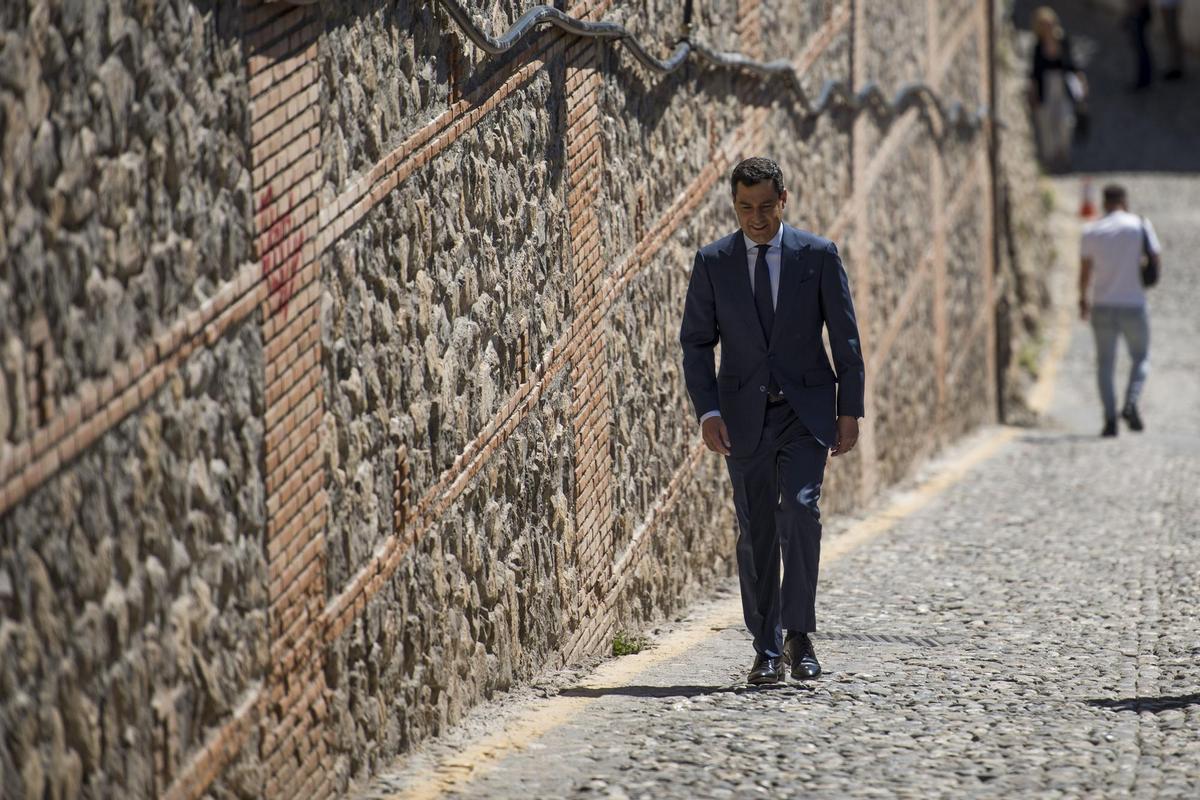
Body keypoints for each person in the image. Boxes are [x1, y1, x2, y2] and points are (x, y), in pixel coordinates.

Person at [679, 157, 865, 685]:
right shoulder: (714, 262)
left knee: (801, 512)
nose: (755, 218)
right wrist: (708, 410)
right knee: (756, 527)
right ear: (734, 206)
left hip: (805, 413)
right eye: (744, 208)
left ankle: (799, 635)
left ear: (784, 198)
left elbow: (845, 340)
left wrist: (848, 410)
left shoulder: (819, 256)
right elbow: (696, 343)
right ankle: (765, 648)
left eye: (764, 206)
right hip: (742, 419)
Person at [1079, 184, 1161, 437]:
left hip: (1102, 305)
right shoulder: (1139, 225)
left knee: (1105, 364)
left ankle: (1110, 420)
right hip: (1133, 304)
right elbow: (1156, 259)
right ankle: (1131, 401)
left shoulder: (1091, 230)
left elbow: (1085, 272)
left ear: (1104, 203)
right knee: (1141, 357)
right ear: (1125, 201)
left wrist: (1082, 299)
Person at [1029, 6, 1086, 171]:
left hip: (1062, 85)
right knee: (1046, 123)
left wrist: (1081, 80)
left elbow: (1072, 64)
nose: (1048, 27)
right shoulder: (1038, 46)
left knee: (1065, 121)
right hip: (1045, 86)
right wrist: (1033, 93)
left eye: (1050, 24)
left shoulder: (1063, 41)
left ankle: (1064, 154)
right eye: (1044, 25)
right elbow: (1034, 72)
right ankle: (1049, 159)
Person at [1128, 0, 1155, 89]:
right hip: (1138, 11)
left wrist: (1135, 8)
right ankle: (1144, 77)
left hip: (1139, 12)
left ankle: (1144, 78)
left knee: (1140, 47)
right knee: (1138, 46)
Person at [1158, 0, 1185, 80]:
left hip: (1170, 5)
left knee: (1172, 36)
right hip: (1167, 5)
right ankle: (1174, 65)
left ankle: (1176, 66)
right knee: (1170, 36)